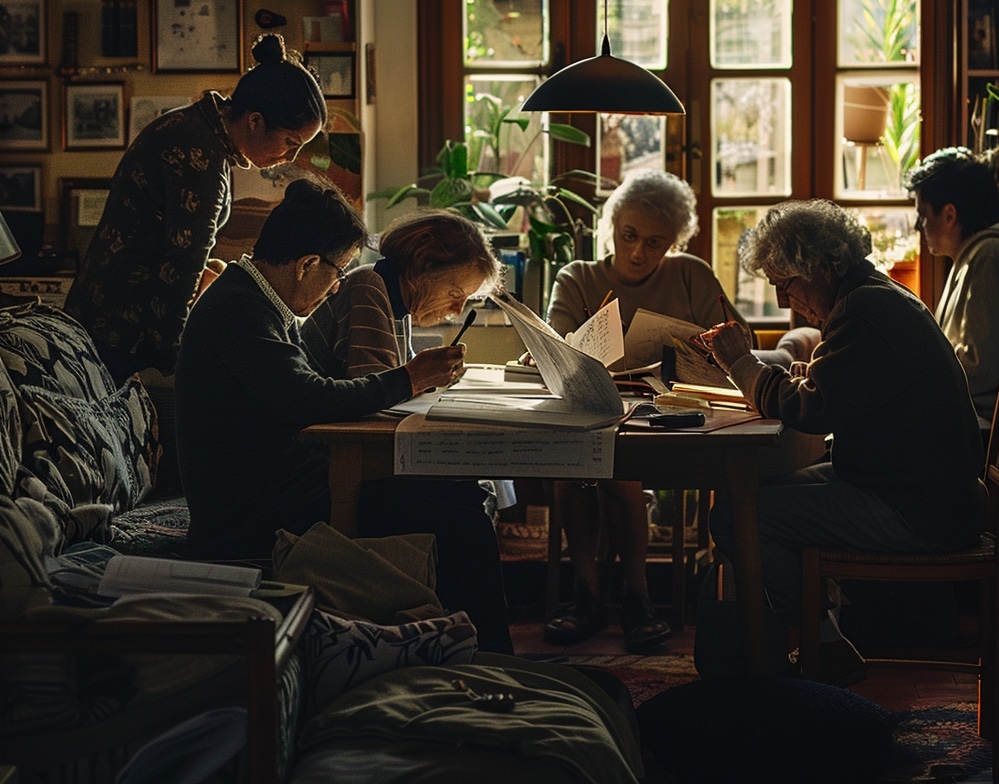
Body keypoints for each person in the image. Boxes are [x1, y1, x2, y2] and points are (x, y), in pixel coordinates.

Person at [175, 179, 506, 637]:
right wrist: (412, 377)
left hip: (282, 484)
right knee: (462, 527)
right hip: (253, 511)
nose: (336, 289)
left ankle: (455, 651)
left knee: (461, 499)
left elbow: (307, 393)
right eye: (339, 271)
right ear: (309, 264)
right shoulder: (240, 311)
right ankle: (484, 659)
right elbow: (309, 399)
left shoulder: (254, 301)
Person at [700, 199, 988, 684]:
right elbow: (843, 389)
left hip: (917, 510)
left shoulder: (865, 310)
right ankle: (812, 640)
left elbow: (811, 411)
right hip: (924, 492)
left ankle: (819, 643)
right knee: (746, 499)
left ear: (821, 266)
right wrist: (807, 374)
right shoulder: (872, 296)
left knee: (736, 516)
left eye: (785, 284)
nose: (785, 301)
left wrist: (741, 364)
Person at [542, 169, 753, 653]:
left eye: (656, 243)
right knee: (574, 467)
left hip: (670, 415)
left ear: (674, 242)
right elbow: (557, 349)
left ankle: (633, 595)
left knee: (619, 468)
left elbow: (738, 347)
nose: (638, 253)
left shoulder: (691, 275)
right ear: (612, 226)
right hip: (590, 409)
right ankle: (590, 593)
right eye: (629, 236)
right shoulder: (578, 277)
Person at [302, 208, 514, 654]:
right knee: (462, 511)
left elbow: (385, 387)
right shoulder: (366, 286)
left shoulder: (390, 297)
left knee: (466, 496)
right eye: (456, 293)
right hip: (325, 463)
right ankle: (488, 654)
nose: (458, 309)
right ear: (424, 264)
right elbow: (373, 411)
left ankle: (478, 650)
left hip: (346, 453)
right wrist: (421, 381)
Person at [66, 32, 326, 385]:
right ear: (254, 121)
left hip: (103, 315)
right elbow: (181, 268)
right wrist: (180, 364)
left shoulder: (192, 127)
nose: (290, 158)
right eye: (290, 143)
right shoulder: (202, 160)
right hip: (119, 332)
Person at [904, 146, 999, 432]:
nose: (919, 227)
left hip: (981, 429)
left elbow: (984, 370)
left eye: (922, 215)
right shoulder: (975, 255)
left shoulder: (989, 258)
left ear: (949, 215)